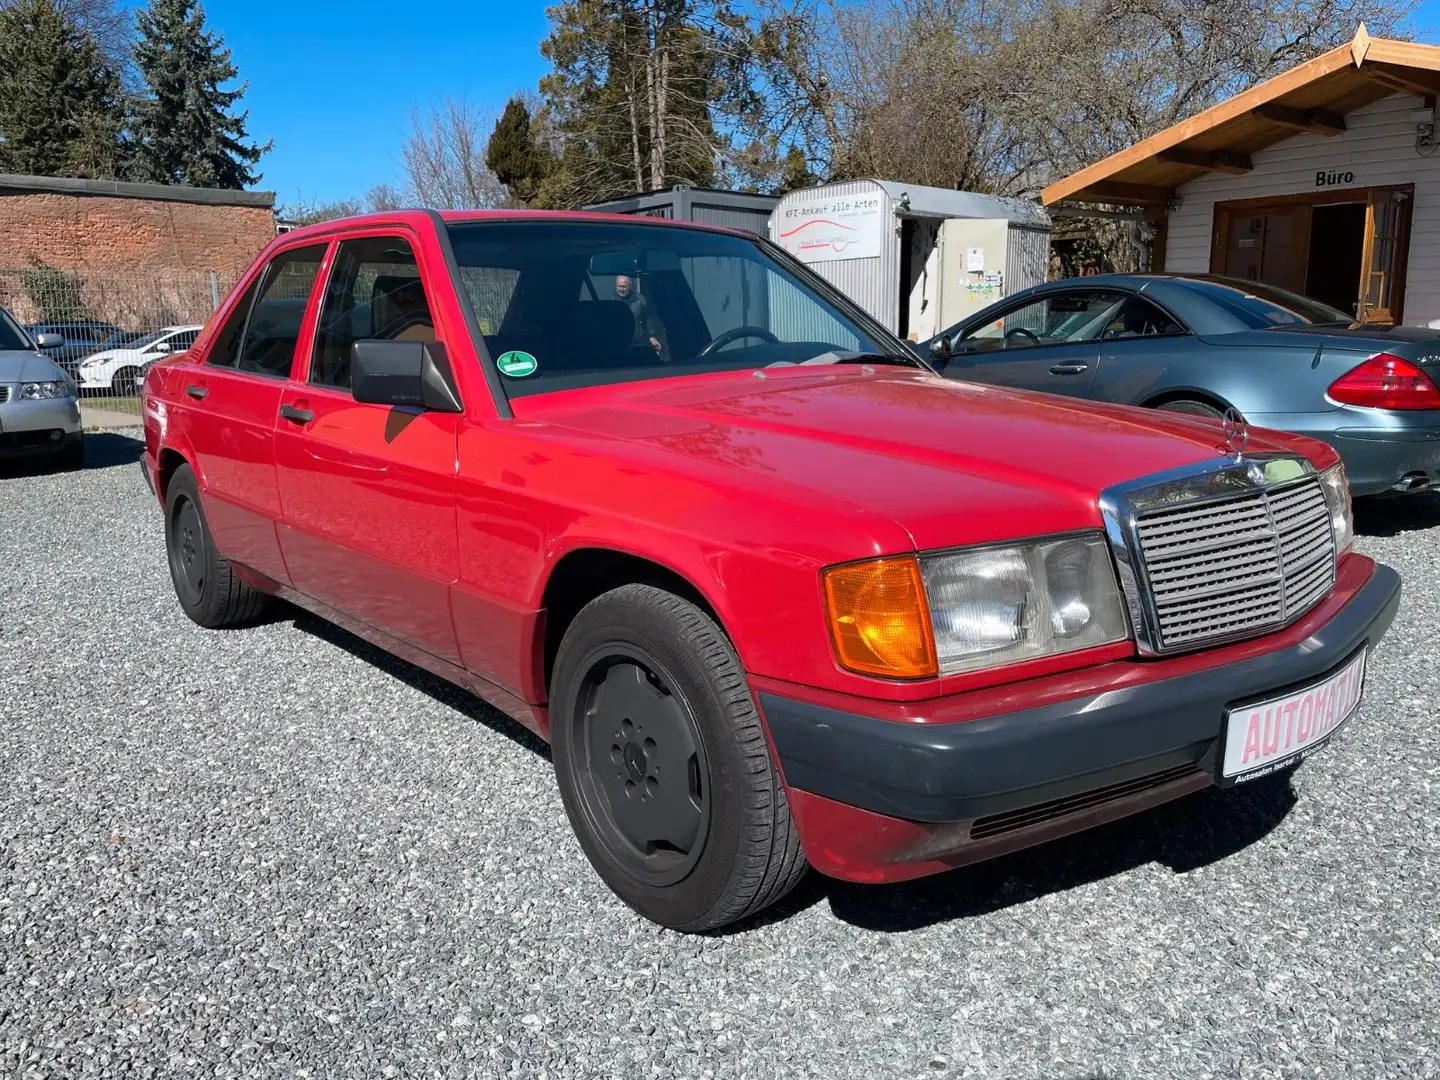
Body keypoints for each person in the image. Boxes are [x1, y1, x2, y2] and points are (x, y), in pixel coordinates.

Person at [614, 274, 663, 354]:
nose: (621, 289)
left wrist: (651, 336)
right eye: (619, 286)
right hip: (618, 341)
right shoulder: (612, 301)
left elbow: (648, 317)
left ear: (629, 286)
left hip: (638, 341)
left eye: (624, 287)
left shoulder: (640, 300)